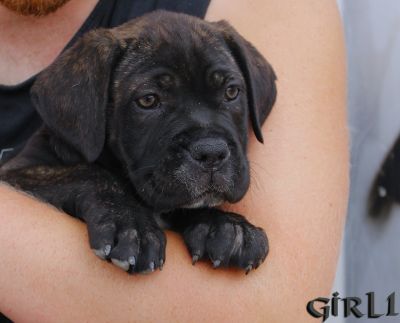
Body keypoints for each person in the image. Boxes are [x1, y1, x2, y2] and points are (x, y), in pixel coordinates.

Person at [0, 0, 348, 321]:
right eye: (150, 100)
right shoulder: (88, 86)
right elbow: (17, 182)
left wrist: (209, 223)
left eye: (229, 93)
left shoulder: (274, 11)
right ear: (88, 109)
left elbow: (276, 307)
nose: (210, 146)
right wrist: (98, 192)